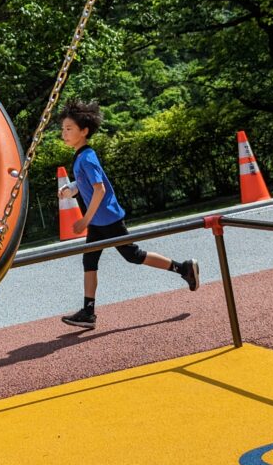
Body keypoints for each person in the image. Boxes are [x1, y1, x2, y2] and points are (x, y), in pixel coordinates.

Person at [57, 99, 199, 329]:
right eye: (63, 129)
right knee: (90, 259)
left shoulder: (87, 157)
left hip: (107, 219)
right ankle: (88, 312)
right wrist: (71, 189)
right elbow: (87, 182)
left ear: (84, 131)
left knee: (133, 255)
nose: (64, 133)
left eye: (69, 129)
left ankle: (183, 268)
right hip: (99, 221)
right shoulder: (81, 156)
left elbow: (99, 189)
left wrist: (84, 219)